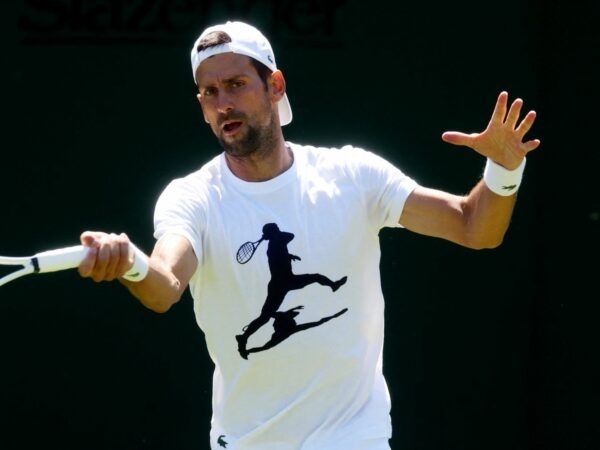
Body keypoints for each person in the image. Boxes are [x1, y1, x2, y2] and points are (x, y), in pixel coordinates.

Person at [77, 20, 540, 450]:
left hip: (354, 438)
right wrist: (131, 263)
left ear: (275, 86)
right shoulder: (192, 198)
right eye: (209, 93)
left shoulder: (352, 175)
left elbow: (473, 227)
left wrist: (504, 168)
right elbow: (164, 287)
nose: (223, 104)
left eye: (236, 85)